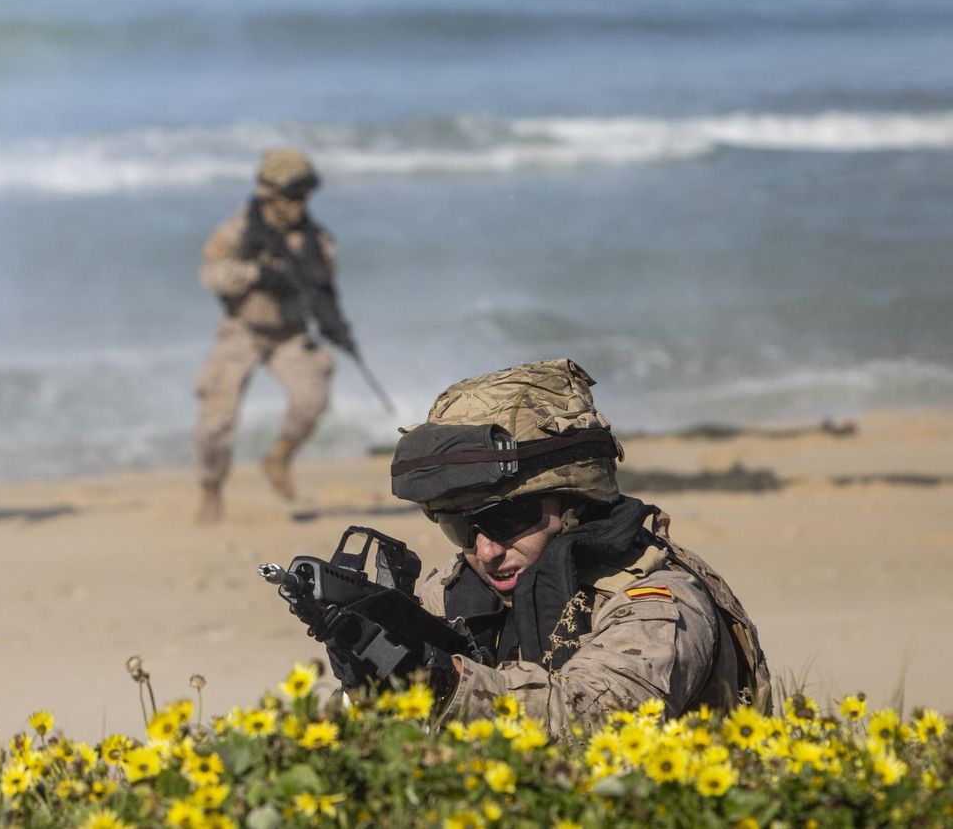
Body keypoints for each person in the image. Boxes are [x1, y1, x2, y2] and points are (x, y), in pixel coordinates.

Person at [387, 359, 769, 725]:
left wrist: (444, 681)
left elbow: (599, 720)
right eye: (459, 527)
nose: (487, 552)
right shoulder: (453, 592)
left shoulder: (658, 603)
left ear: (573, 502)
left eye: (505, 520)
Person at [193, 148, 347, 523]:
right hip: (241, 331)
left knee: (313, 398)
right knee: (215, 422)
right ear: (270, 194)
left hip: (290, 333)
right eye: (291, 197)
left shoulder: (316, 240)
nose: (299, 205)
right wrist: (256, 275)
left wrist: (333, 322)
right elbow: (210, 276)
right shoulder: (236, 231)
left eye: (304, 197)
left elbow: (326, 286)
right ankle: (211, 490)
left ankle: (278, 458)